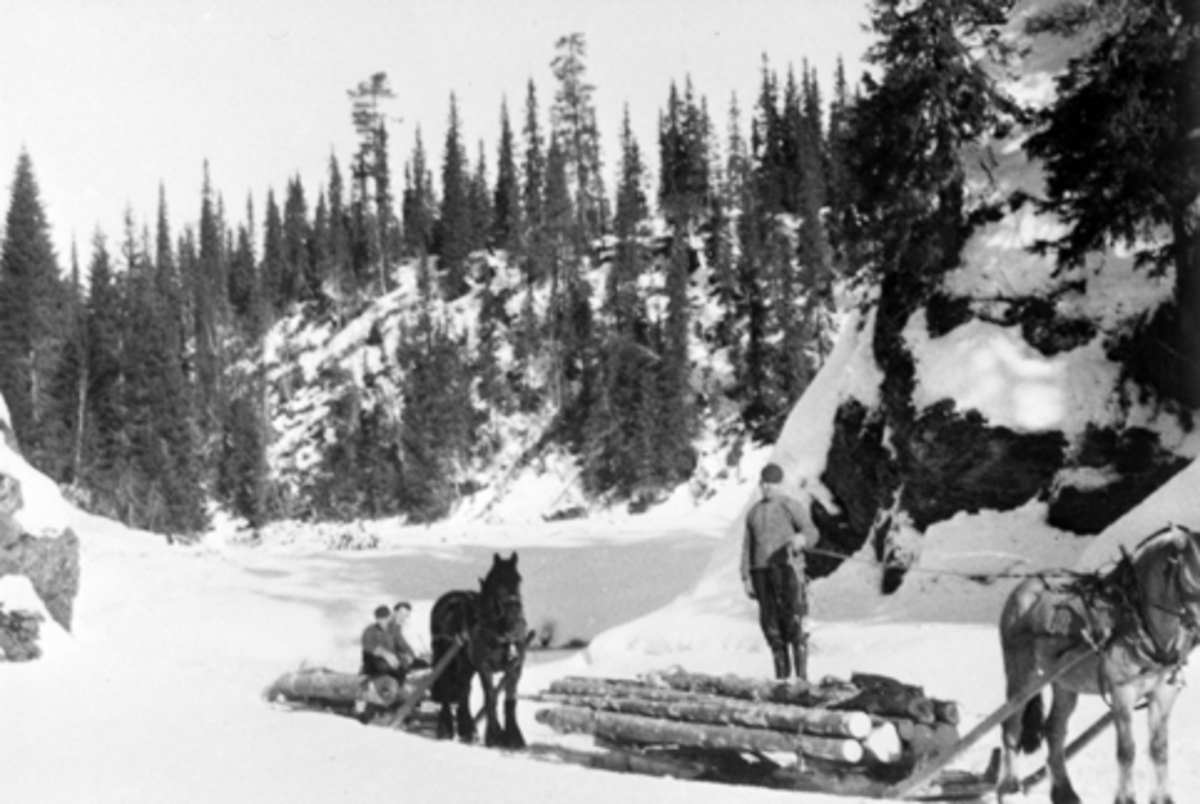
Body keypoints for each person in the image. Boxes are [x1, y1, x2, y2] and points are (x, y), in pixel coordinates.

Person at [740, 462, 815, 681]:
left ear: (780, 485)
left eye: (771, 484)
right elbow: (747, 547)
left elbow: (811, 530)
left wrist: (802, 539)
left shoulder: (791, 506)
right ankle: (782, 679)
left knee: (794, 621)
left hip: (787, 569)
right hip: (761, 573)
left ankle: (801, 679)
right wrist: (746, 576)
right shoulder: (753, 513)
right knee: (771, 625)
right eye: (763, 484)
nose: (766, 488)